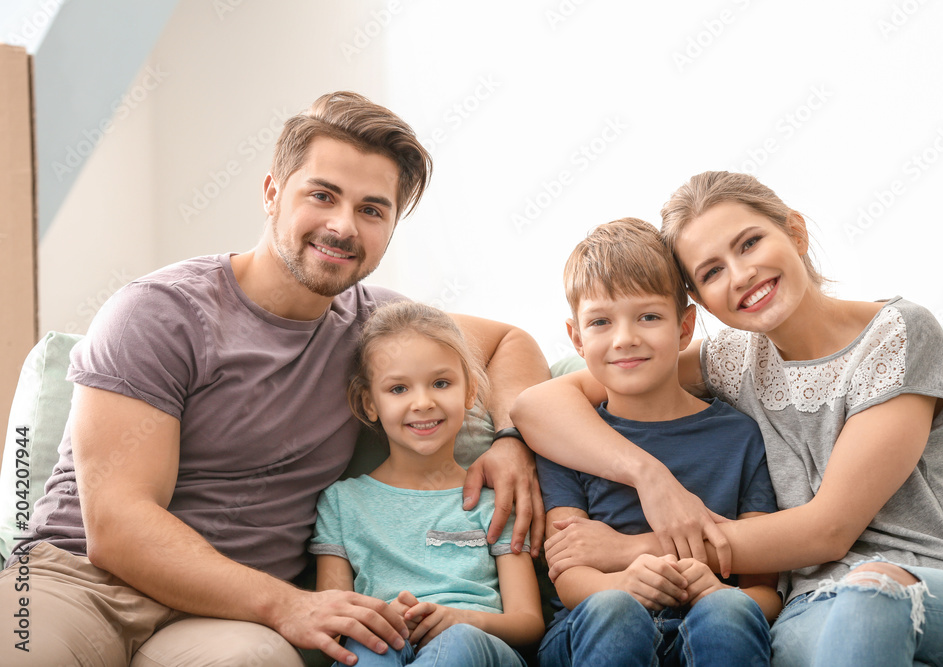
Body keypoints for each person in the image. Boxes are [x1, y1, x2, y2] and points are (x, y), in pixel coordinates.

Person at [0, 91, 549, 667]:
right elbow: (115, 526)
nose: (343, 226)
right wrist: (288, 605)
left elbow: (509, 342)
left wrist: (513, 439)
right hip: (83, 579)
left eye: (372, 209)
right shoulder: (160, 313)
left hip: (226, 619)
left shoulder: (380, 330)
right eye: (322, 195)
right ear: (271, 193)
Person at [512, 171, 943, 665]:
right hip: (808, 604)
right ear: (700, 304)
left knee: (867, 596)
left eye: (749, 243)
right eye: (712, 272)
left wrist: (627, 550)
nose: (740, 275)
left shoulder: (897, 334)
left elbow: (828, 530)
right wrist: (648, 475)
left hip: (934, 585)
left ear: (795, 233)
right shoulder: (734, 359)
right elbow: (536, 406)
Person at [533, 218, 779, 666]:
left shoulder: (739, 436)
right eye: (601, 322)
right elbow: (568, 574)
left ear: (684, 327)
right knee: (615, 610)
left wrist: (719, 591)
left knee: (729, 609)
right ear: (576, 338)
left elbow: (764, 590)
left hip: (707, 620)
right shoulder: (568, 438)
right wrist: (621, 585)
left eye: (648, 317)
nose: (625, 339)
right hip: (591, 622)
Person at [312, 301, 545, 666]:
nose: (422, 402)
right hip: (386, 639)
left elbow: (529, 624)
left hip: (479, 645)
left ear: (469, 391)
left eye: (441, 383)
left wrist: (464, 619)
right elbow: (334, 618)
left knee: (458, 642)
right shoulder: (341, 503)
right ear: (369, 402)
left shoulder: (494, 500)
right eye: (398, 389)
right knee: (367, 646)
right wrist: (381, 617)